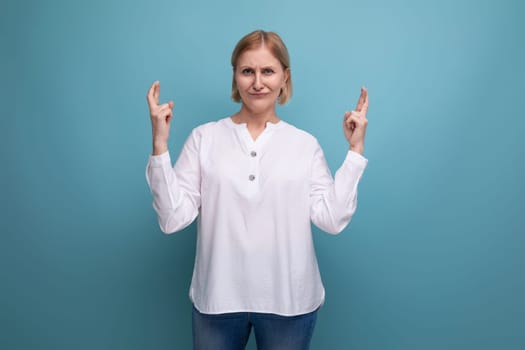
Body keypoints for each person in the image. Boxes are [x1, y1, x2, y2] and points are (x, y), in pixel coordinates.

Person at [146, 30, 369, 350]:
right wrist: (160, 145)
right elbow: (172, 219)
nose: (257, 82)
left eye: (268, 71)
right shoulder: (204, 138)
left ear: (284, 77)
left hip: (289, 302)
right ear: (235, 75)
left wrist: (355, 151)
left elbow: (331, 220)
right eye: (247, 71)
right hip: (218, 300)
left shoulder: (304, 145)